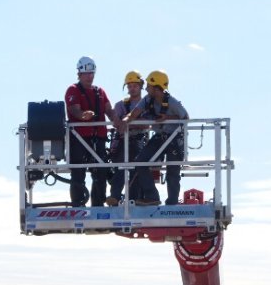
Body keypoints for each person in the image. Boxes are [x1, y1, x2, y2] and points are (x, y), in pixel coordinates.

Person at [129, 70, 189, 206]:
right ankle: (152, 197)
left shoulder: (172, 102)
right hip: (160, 137)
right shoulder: (147, 100)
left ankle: (172, 203)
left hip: (174, 139)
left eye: (149, 86)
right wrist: (125, 121)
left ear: (156, 88)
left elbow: (185, 117)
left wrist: (167, 118)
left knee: (173, 171)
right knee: (141, 162)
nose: (146, 88)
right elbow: (134, 113)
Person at [64, 57, 117, 207]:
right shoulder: (73, 90)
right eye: (87, 73)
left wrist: (117, 121)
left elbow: (109, 110)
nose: (90, 76)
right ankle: (78, 205)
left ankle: (98, 206)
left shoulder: (100, 92)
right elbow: (74, 109)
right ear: (79, 74)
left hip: (98, 138)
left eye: (92, 73)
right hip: (79, 139)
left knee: (100, 173)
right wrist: (82, 115)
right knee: (78, 173)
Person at [106, 71, 147, 207]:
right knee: (120, 168)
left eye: (135, 85)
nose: (132, 88)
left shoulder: (147, 103)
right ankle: (115, 197)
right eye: (129, 86)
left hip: (139, 141)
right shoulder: (120, 105)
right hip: (123, 142)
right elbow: (115, 122)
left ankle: (133, 200)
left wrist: (130, 123)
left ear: (141, 86)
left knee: (137, 170)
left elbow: (148, 123)